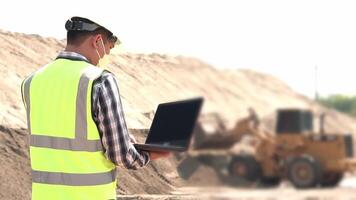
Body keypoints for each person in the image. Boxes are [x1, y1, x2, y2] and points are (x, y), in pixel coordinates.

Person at [21, 16, 169, 200]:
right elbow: (121, 155)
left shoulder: (32, 81)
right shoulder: (99, 80)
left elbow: (64, 135)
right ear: (97, 41)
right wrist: (149, 154)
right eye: (109, 48)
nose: (107, 54)